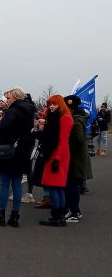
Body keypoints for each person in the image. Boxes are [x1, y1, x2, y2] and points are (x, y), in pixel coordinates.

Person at [0, 87, 36, 228]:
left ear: (15, 98)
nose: (7, 100)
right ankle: (15, 216)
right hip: (22, 151)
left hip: (9, 152)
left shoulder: (13, 111)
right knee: (17, 184)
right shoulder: (30, 111)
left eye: (9, 98)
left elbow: (4, 127)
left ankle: (1, 215)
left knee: (5, 183)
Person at [36, 95, 73, 227]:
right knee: (57, 187)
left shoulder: (64, 118)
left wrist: (57, 159)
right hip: (54, 154)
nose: (51, 106)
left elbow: (63, 141)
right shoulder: (55, 117)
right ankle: (59, 216)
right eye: (50, 104)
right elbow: (50, 137)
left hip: (58, 155)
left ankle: (57, 217)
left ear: (60, 105)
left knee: (54, 187)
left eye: (54, 104)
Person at [63, 95, 93, 223]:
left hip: (75, 158)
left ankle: (74, 212)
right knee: (71, 185)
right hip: (76, 157)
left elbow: (78, 139)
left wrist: (68, 147)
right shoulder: (77, 118)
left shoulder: (77, 120)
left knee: (72, 185)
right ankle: (75, 210)